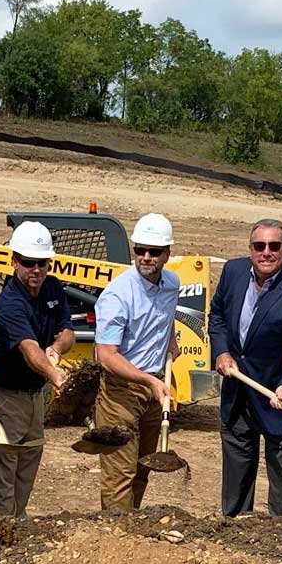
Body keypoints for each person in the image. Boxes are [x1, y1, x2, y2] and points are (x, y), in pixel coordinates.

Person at [209, 219, 282, 517]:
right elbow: (217, 316)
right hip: (239, 392)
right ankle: (233, 532)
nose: (266, 252)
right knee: (236, 478)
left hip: (279, 398)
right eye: (259, 246)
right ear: (250, 249)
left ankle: (281, 541)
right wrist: (221, 352)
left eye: (274, 246)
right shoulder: (232, 272)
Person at [0, 221, 74, 517]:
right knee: (4, 462)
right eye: (28, 262)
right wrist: (55, 374)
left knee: (29, 459)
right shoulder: (8, 303)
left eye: (42, 263)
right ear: (14, 262)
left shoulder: (52, 287)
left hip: (36, 394)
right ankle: (0, 524)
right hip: (7, 397)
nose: (36, 269)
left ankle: (18, 519)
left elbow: (67, 331)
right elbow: (28, 349)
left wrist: (58, 348)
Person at [93, 214, 179, 512]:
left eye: (154, 252)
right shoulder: (118, 295)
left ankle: (132, 532)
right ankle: (116, 534)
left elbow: (163, 321)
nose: (146, 257)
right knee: (120, 473)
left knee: (143, 468)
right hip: (121, 393)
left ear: (167, 253)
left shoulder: (171, 284)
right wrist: (149, 380)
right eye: (140, 250)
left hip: (153, 389)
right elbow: (105, 355)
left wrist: (171, 341)